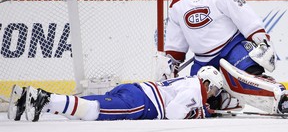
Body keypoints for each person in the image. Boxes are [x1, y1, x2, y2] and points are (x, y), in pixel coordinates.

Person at [163, 0, 276, 81]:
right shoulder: (178, 1)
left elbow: (244, 15)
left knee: (253, 76)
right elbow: (175, 38)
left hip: (231, 48)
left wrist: (261, 40)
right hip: (202, 60)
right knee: (202, 95)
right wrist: (172, 62)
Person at [8, 66, 223, 121]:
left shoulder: (188, 80)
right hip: (141, 102)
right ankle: (45, 99)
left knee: (85, 106)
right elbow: (174, 113)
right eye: (213, 88)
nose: (212, 93)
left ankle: (35, 99)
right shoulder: (195, 89)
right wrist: (200, 113)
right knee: (93, 111)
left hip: (135, 90)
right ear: (206, 81)